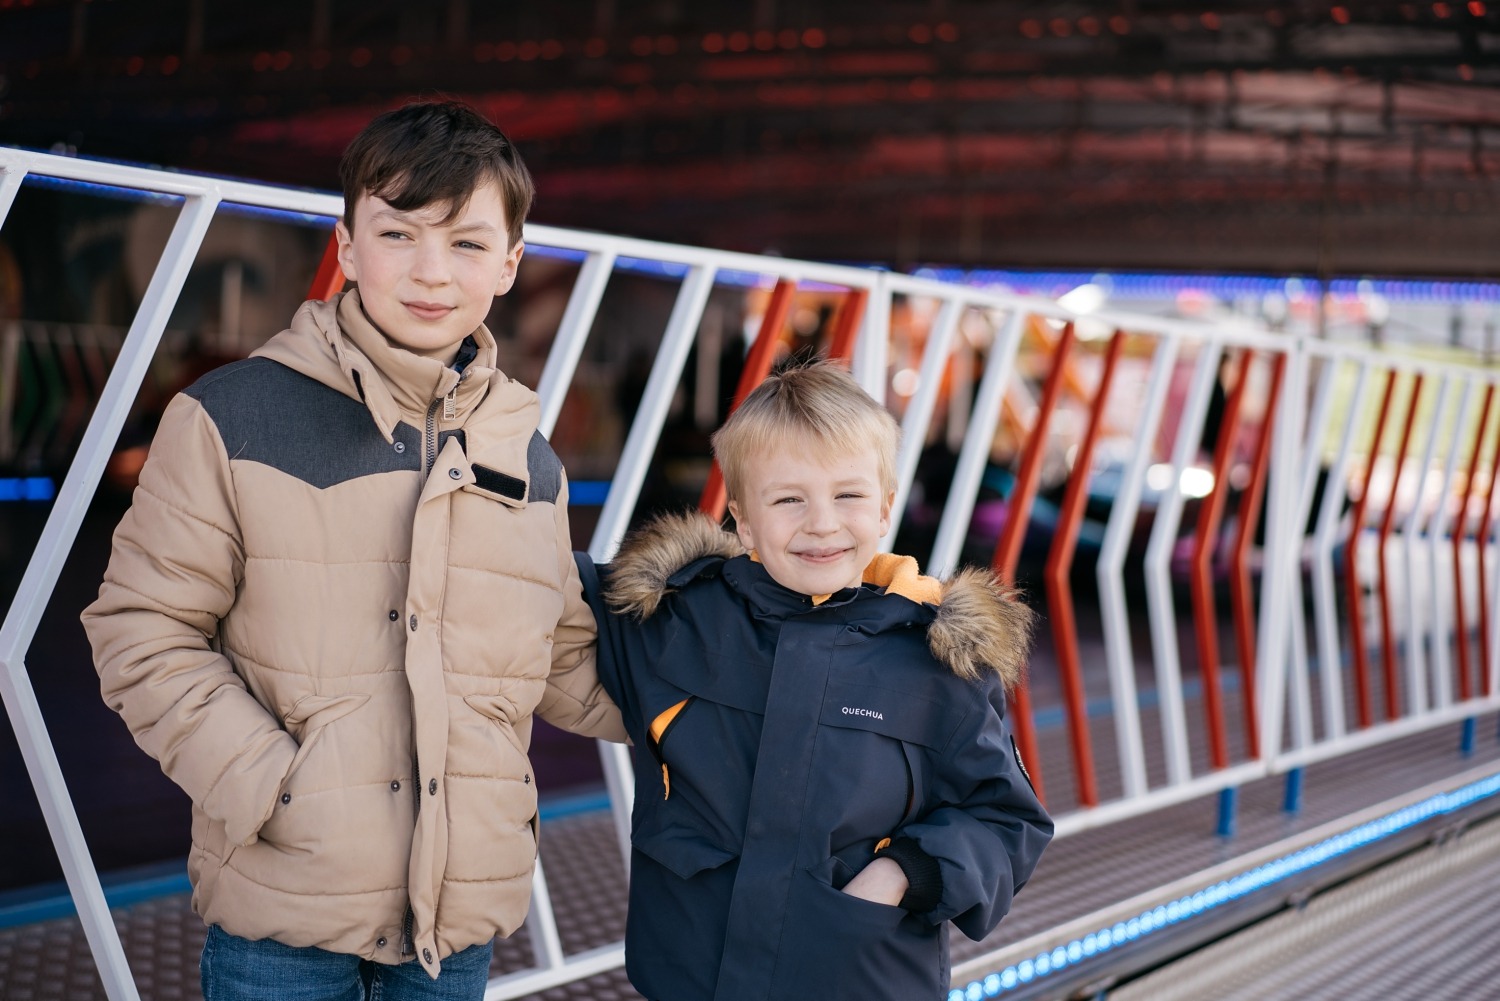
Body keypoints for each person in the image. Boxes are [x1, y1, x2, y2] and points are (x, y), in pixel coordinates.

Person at [81, 100, 623, 1001]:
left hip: (455, 930)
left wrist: (740, 668)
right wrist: (272, 786)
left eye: (466, 244)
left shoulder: (525, 454)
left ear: (510, 264)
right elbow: (140, 629)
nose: (430, 272)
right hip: (283, 922)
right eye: (398, 233)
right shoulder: (235, 416)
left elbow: (560, 657)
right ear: (346, 240)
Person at [575, 359, 1054, 1001]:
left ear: (885, 508)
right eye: (788, 498)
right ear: (743, 520)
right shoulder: (673, 618)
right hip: (691, 977)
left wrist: (900, 875)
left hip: (857, 977)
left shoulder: (938, 661)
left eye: (848, 495)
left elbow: (1006, 818)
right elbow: (531, 585)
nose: (822, 522)